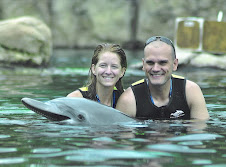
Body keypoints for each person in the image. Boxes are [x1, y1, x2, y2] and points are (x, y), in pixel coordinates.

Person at [116, 36, 209, 120]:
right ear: (143, 64)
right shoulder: (129, 99)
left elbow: (198, 133)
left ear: (175, 64)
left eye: (162, 63)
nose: (156, 69)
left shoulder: (191, 91)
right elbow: (124, 137)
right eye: (150, 63)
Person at [67, 43, 127, 108]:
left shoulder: (127, 99)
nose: (108, 72)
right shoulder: (75, 99)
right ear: (94, 69)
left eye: (114, 66)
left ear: (122, 71)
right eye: (103, 65)